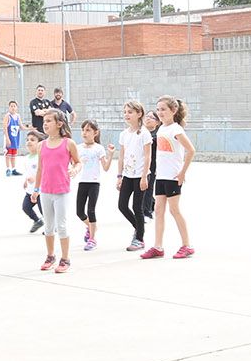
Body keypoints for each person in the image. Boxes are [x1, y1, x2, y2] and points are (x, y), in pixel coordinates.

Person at [141, 96, 195, 259]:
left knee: (174, 210)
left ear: (173, 111)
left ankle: (187, 245)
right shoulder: (162, 129)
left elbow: (191, 150)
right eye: (158, 109)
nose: (160, 112)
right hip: (161, 176)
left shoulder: (176, 129)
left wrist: (182, 172)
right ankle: (158, 246)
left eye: (163, 109)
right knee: (158, 210)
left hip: (173, 177)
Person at [36, 108, 81, 273]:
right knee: (48, 226)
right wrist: (36, 189)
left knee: (61, 226)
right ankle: (50, 256)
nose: (45, 124)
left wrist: (75, 170)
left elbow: (78, 162)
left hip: (61, 191)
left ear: (59, 123)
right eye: (44, 121)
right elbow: (40, 169)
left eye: (49, 121)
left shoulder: (68, 143)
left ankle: (65, 258)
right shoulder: (41, 145)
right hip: (45, 191)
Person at [114, 100, 151, 250]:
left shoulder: (144, 133)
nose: (126, 115)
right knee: (122, 205)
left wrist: (144, 177)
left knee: (137, 207)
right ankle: (139, 227)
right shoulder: (124, 134)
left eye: (130, 112)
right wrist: (119, 176)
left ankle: (139, 239)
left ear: (139, 114)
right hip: (127, 175)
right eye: (125, 112)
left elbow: (148, 156)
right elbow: (121, 156)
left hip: (140, 175)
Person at [75, 120, 112, 251]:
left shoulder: (99, 148)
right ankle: (91, 227)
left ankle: (92, 239)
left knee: (91, 210)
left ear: (95, 133)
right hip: (82, 182)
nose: (84, 133)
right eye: (83, 130)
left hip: (94, 183)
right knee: (79, 212)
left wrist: (111, 154)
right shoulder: (78, 148)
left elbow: (106, 168)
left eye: (88, 130)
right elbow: (74, 164)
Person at [20, 131, 44, 233]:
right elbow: (28, 172)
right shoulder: (26, 158)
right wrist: (26, 180)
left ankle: (52, 225)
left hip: (40, 190)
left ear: (39, 143)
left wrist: (35, 178)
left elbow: (43, 171)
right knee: (25, 207)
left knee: (44, 210)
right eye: (27, 140)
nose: (29, 142)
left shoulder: (41, 156)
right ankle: (37, 221)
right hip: (30, 190)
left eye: (32, 140)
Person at [3, 100, 24, 176]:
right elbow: (5, 128)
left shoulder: (18, 116)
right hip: (9, 138)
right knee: (8, 154)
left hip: (15, 138)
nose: (13, 107)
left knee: (14, 154)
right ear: (9, 107)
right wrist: (7, 138)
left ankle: (14, 169)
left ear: (17, 107)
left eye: (14, 106)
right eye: (11, 106)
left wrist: (30, 128)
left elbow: (21, 127)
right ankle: (8, 169)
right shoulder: (7, 116)